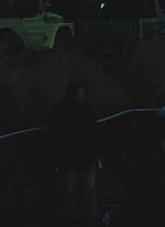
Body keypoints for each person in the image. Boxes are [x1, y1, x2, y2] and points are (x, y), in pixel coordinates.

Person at [50, 81, 102, 224]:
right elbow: (55, 135)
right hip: (69, 158)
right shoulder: (61, 111)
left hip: (87, 157)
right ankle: (75, 219)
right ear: (73, 94)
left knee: (88, 189)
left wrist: (97, 153)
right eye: (81, 93)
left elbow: (95, 133)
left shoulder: (88, 109)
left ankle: (93, 219)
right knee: (71, 190)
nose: (83, 96)